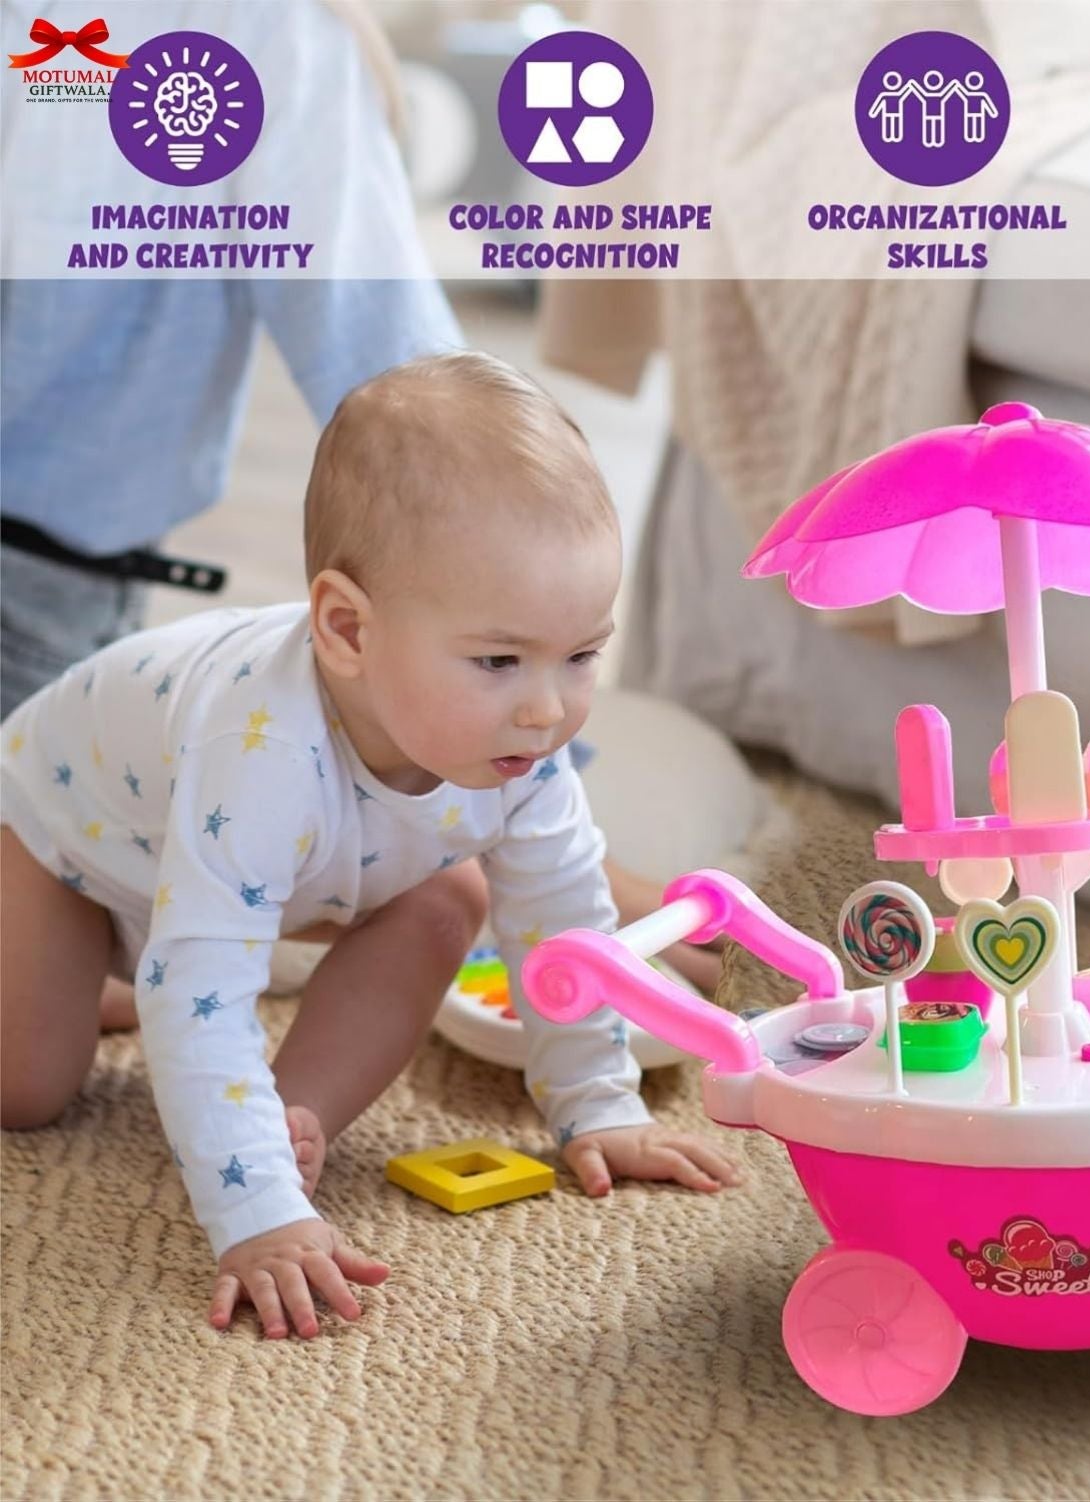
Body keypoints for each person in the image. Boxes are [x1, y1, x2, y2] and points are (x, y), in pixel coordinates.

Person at [0, 352, 742, 1341]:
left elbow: (566, 924)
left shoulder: (519, 745)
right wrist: (253, 1216)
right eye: (498, 659)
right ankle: (96, 974)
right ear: (347, 629)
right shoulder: (258, 754)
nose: (547, 706)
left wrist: (598, 1104)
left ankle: (287, 1115)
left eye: (581, 655)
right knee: (27, 1087)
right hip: (59, 842)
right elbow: (200, 985)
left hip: (258, 875)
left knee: (449, 901)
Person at [0, 0, 461, 715]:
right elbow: (396, 369)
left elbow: (396, 376)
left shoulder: (265, 29)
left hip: (38, 594)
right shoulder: (267, 30)